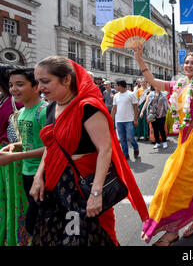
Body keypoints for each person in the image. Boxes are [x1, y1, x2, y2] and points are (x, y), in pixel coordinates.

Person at [29, 56, 148, 245]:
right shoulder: (51, 107)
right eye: (38, 81)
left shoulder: (88, 107)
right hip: (56, 185)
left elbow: (105, 150)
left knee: (97, 237)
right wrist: (38, 177)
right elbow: (50, 147)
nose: (40, 87)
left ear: (66, 80)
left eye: (45, 81)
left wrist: (96, 193)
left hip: (83, 185)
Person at [133, 31, 193, 246]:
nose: (187, 65)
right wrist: (139, 57)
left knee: (178, 182)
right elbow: (151, 80)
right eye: (186, 62)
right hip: (186, 139)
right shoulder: (178, 86)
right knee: (188, 181)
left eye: (192, 62)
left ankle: (172, 231)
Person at [0, 68, 48, 237]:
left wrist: (15, 156)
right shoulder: (20, 114)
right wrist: (15, 146)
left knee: (36, 224)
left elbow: (51, 147)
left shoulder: (44, 111)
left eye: (20, 84)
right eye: (11, 85)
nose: (13, 89)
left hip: (43, 176)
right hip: (26, 173)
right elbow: (29, 140)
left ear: (36, 87)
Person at [0, 64, 28, 246]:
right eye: (11, 84)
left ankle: (18, 238)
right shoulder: (4, 100)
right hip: (5, 156)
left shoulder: (16, 103)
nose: (13, 88)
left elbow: (19, 138)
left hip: (13, 158)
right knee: (6, 198)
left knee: (15, 199)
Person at [111, 80, 139, 161]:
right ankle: (126, 155)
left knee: (130, 137)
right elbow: (114, 109)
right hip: (119, 121)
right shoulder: (116, 96)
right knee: (122, 139)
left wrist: (135, 119)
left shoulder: (131, 94)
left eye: (116, 85)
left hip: (129, 120)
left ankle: (135, 147)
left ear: (120, 86)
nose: (115, 87)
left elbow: (135, 108)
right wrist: (111, 120)